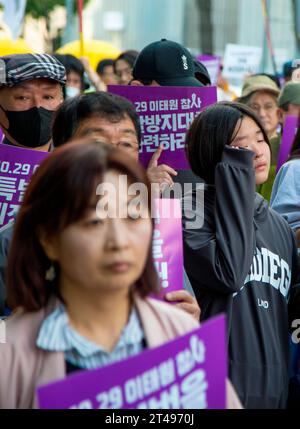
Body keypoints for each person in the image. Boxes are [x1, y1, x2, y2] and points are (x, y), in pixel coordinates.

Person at [0, 140, 241, 409]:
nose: (119, 241)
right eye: (95, 222)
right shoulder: (8, 351)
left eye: (133, 217)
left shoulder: (180, 330)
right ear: (49, 239)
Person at [0, 92, 200, 320]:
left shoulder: (155, 229)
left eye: (126, 144)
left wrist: (188, 319)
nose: (113, 154)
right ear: (61, 151)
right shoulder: (15, 238)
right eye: (97, 143)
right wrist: (29, 328)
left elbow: (180, 302)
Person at [182, 101, 299, 408]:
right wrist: (236, 181)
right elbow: (229, 273)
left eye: (260, 139)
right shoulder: (190, 209)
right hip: (215, 389)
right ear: (214, 154)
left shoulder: (278, 224)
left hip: (275, 390)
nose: (258, 151)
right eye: (241, 145)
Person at [0, 53, 66, 151]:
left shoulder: (76, 160)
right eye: (23, 97)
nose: (37, 105)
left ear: (61, 101)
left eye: (48, 97)